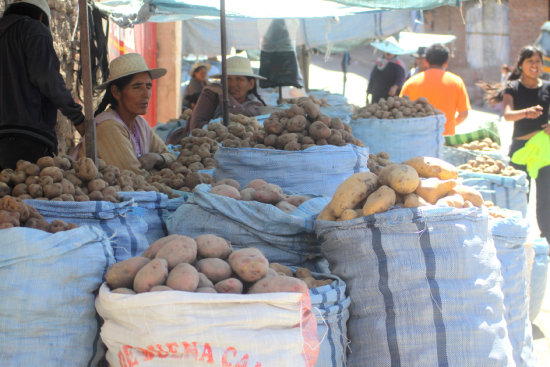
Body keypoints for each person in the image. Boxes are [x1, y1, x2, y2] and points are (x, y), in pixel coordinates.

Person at [0, 0, 85, 169]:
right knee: (28, 191)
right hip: (28, 138)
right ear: (40, 17)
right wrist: (77, 117)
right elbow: (46, 77)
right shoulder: (34, 29)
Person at [77, 53, 176, 174]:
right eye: (137, 87)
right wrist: (158, 166)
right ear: (116, 92)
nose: (146, 95)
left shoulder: (140, 124)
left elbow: (170, 156)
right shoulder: (108, 127)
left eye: (148, 86)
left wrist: (156, 158)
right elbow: (133, 174)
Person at [501, 45, 550, 240]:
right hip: (520, 149)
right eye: (530, 61)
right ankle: (517, 237)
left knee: (546, 198)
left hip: (544, 150)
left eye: (538, 61)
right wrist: (526, 113)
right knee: (520, 196)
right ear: (521, 64)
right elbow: (507, 115)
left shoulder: (548, 87)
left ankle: (546, 240)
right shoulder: (512, 87)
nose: (535, 65)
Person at [168, 56, 266, 142]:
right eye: (228, 79)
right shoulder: (211, 94)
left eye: (239, 79)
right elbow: (196, 127)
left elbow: (248, 123)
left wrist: (228, 98)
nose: (232, 84)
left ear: (251, 84)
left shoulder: (255, 104)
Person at [400, 43, 471, 136]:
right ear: (446, 63)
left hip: (417, 137)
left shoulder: (411, 83)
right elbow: (463, 114)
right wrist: (450, 125)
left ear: (426, 61)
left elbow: (400, 112)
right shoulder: (456, 82)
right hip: (445, 139)